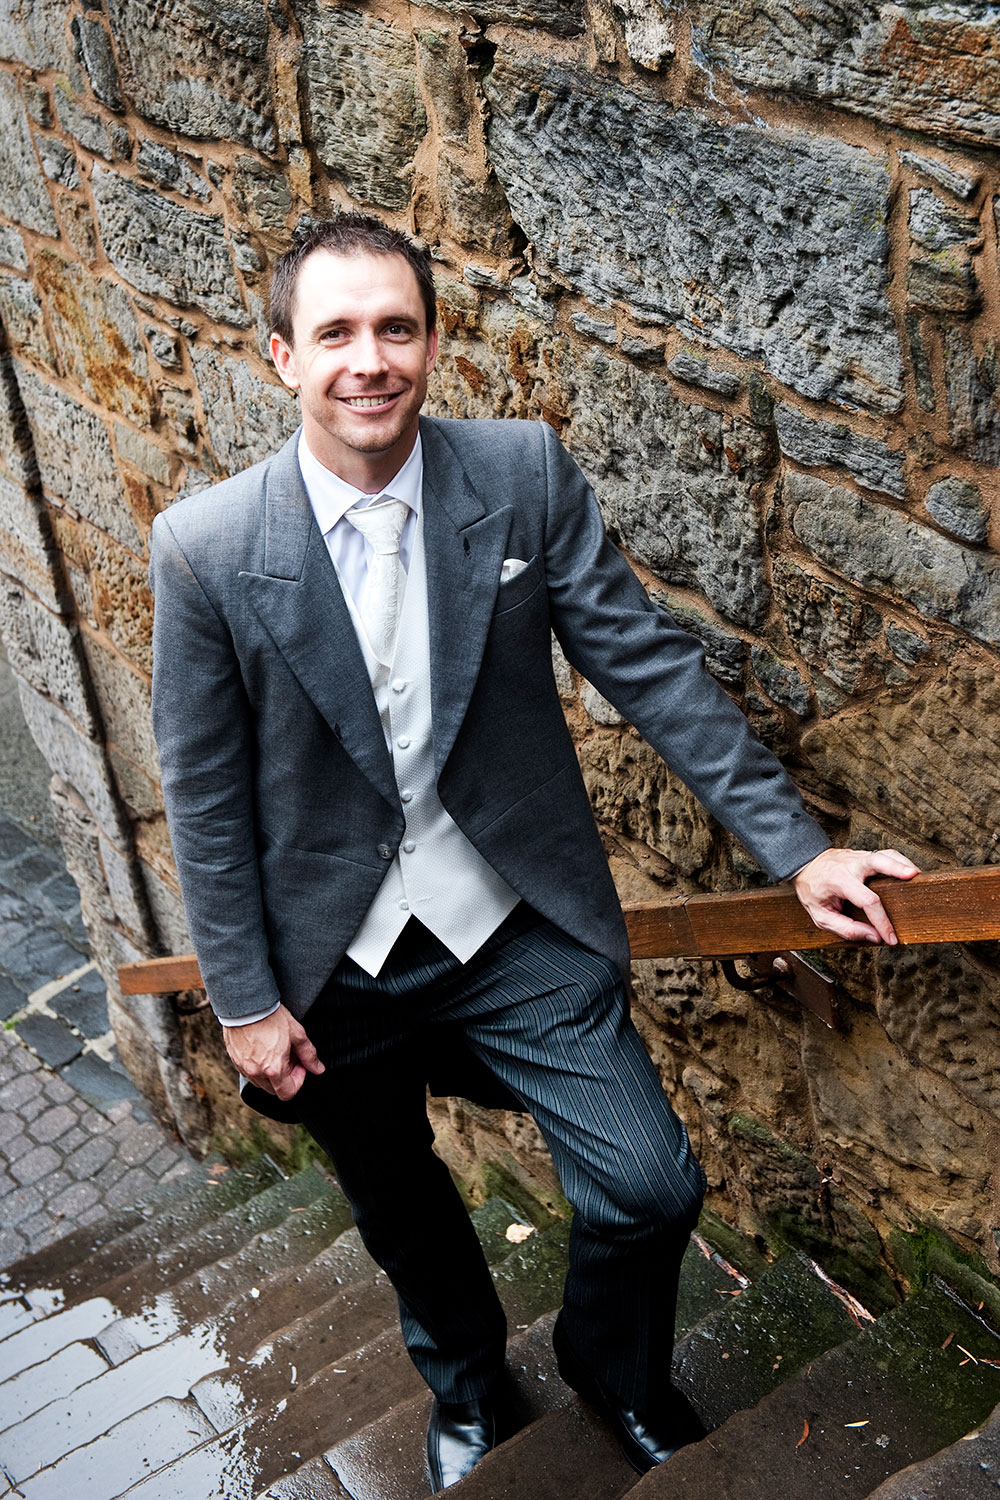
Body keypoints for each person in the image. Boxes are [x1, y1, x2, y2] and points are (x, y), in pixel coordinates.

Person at [149, 214, 918, 1491]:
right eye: (335, 333)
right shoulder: (207, 547)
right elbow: (205, 794)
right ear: (282, 356)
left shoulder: (519, 473)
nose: (368, 360)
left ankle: (614, 1372)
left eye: (395, 328)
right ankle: (465, 1383)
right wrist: (242, 1000)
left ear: (432, 341)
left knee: (650, 1184)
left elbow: (647, 666)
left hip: (512, 921)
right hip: (326, 963)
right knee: (401, 1205)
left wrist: (797, 852)